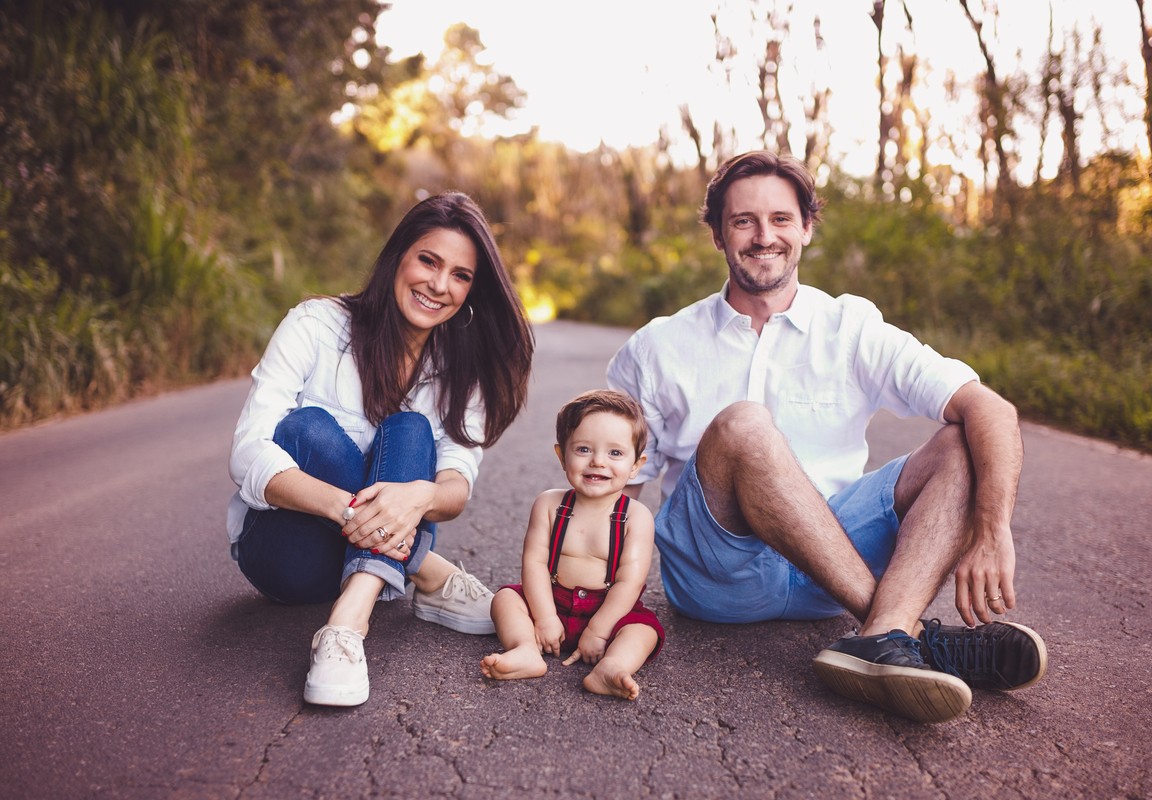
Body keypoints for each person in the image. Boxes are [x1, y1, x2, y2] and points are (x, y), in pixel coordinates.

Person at [607, 151, 1046, 724]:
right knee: (745, 424)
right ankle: (906, 634)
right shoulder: (656, 346)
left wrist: (992, 530)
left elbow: (990, 408)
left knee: (963, 440)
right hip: (720, 575)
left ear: (808, 227)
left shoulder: (851, 326)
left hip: (829, 568)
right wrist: (593, 604)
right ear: (717, 234)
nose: (764, 237)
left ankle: (881, 639)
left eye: (781, 219)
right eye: (743, 221)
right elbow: (620, 490)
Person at [227, 191, 534, 707]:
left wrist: (417, 498)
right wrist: (353, 509)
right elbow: (247, 453)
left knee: (412, 430)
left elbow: (456, 485)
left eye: (460, 275)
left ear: (473, 289)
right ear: (399, 256)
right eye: (428, 261)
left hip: (363, 560)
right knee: (306, 429)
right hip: (285, 556)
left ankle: (347, 626)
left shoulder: (462, 371)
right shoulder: (316, 326)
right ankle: (428, 570)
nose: (439, 285)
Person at [481, 390, 664, 700]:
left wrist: (600, 630)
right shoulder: (550, 504)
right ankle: (525, 649)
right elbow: (535, 563)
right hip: (550, 601)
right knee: (505, 600)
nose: (598, 462)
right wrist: (545, 617)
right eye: (583, 449)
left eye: (615, 453)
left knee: (644, 630)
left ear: (636, 465)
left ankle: (612, 666)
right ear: (561, 455)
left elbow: (629, 583)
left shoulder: (637, 517)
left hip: (607, 609)